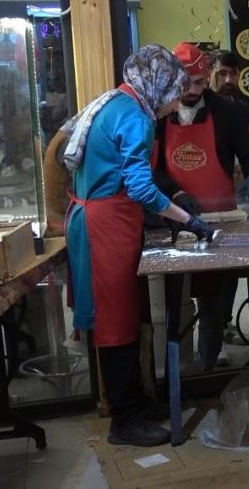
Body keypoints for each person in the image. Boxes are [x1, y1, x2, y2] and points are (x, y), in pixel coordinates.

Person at [64, 45, 215, 446]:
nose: (173, 106)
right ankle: (124, 421)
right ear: (158, 86)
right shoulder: (136, 117)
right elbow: (140, 188)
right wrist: (189, 221)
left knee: (123, 318)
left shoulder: (114, 100)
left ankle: (136, 405)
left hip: (97, 218)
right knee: (115, 322)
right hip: (105, 226)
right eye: (173, 96)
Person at [153, 42, 249, 372]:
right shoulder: (159, 114)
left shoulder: (228, 113)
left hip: (220, 219)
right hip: (174, 219)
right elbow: (151, 168)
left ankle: (208, 364)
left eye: (199, 83)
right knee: (176, 300)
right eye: (185, 84)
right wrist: (174, 192)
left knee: (216, 300)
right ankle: (178, 369)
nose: (192, 91)